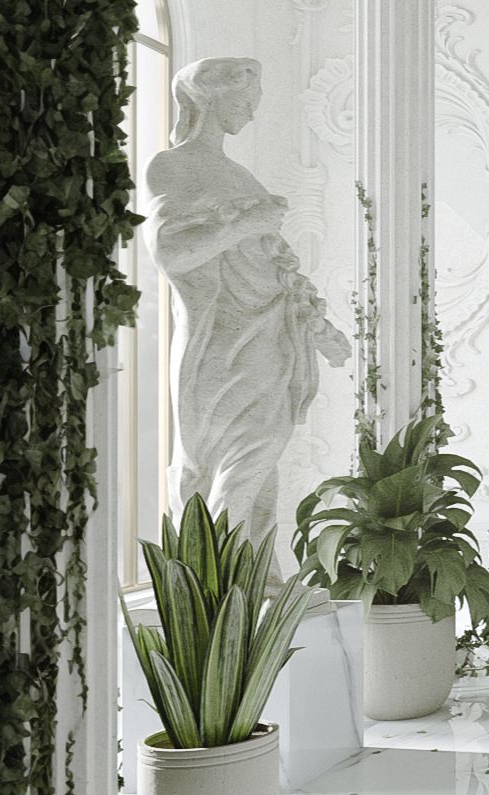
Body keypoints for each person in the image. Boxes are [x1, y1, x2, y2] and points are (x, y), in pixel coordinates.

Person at [144, 56, 350, 551]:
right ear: (214, 98)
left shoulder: (239, 176)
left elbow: (273, 268)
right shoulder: (171, 166)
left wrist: (319, 329)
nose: (253, 115)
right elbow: (170, 250)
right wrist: (246, 224)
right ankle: (217, 582)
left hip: (267, 336)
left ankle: (257, 578)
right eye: (247, 102)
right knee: (241, 459)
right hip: (219, 340)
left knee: (259, 460)